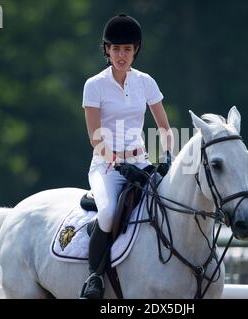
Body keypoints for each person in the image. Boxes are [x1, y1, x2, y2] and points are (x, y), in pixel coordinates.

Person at [80, 13, 174, 299]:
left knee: (169, 205)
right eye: (116, 49)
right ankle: (94, 278)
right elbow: (96, 137)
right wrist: (120, 165)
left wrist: (168, 156)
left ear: (136, 50)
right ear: (107, 50)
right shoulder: (94, 85)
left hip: (141, 161)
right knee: (108, 214)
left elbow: (164, 127)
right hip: (106, 166)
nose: (122, 55)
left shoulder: (145, 82)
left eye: (128, 49)